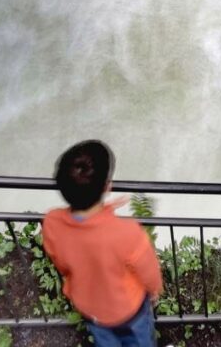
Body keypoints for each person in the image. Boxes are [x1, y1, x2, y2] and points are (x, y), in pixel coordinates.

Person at [41, 140, 163, 347]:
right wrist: (154, 291)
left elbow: (62, 264)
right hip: (129, 309)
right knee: (139, 341)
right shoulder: (127, 232)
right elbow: (149, 272)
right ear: (107, 187)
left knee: (105, 342)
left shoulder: (52, 223)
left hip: (91, 308)